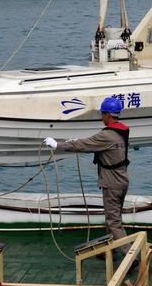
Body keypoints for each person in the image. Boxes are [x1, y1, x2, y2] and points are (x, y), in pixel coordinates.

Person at [43, 96, 130, 250]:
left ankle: (131, 257)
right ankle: (110, 251)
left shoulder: (106, 135)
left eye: (102, 113)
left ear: (108, 114)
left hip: (112, 184)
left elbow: (84, 145)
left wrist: (57, 145)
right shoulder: (121, 131)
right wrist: (77, 141)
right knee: (113, 218)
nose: (101, 117)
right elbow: (94, 143)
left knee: (113, 221)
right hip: (122, 181)